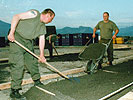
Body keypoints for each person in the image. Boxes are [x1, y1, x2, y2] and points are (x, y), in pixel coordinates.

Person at [8, 9, 55, 99]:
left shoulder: (42, 27)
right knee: (18, 64)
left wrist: (41, 55)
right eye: (51, 19)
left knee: (32, 62)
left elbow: (42, 39)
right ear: (48, 15)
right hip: (17, 38)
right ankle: (14, 90)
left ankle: (37, 81)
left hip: (28, 42)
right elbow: (16, 17)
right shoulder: (34, 14)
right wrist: (12, 33)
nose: (50, 21)